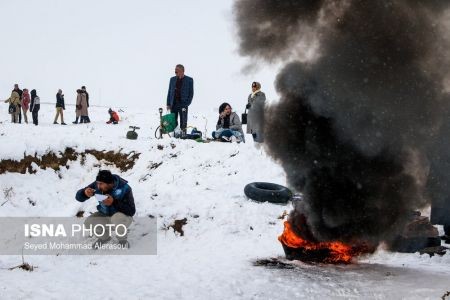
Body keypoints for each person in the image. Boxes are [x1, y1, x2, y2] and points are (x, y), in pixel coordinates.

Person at [75, 170, 135, 248]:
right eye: (97, 183)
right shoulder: (98, 184)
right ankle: (105, 238)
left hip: (122, 217)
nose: (98, 186)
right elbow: (78, 198)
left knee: (117, 218)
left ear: (109, 183)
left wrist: (114, 202)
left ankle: (122, 240)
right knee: (88, 223)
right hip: (105, 214)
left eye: (101, 184)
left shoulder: (125, 188)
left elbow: (131, 211)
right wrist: (84, 193)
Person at [166, 64, 194, 136]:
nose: (175, 72)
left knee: (183, 121)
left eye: (177, 71)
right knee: (173, 121)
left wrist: (187, 103)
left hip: (183, 104)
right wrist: (168, 104)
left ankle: (183, 134)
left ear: (182, 71)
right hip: (174, 103)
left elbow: (191, 93)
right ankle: (175, 135)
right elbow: (169, 92)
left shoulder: (189, 80)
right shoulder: (172, 79)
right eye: (175, 71)